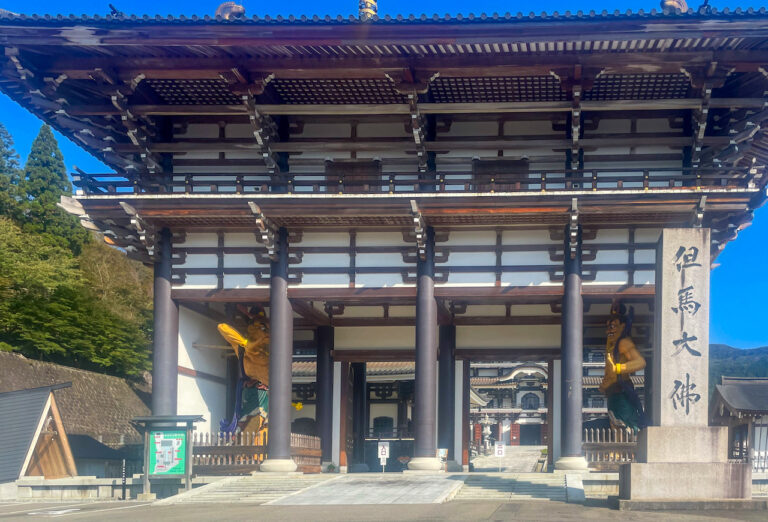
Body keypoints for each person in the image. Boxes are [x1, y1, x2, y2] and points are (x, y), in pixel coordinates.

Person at [598, 301, 648, 431]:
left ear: (623, 326)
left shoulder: (623, 343)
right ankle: (618, 451)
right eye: (608, 326)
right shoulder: (611, 346)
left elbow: (641, 362)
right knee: (615, 424)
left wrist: (618, 368)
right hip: (612, 393)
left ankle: (628, 450)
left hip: (622, 391)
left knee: (625, 425)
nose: (609, 330)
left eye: (613, 326)